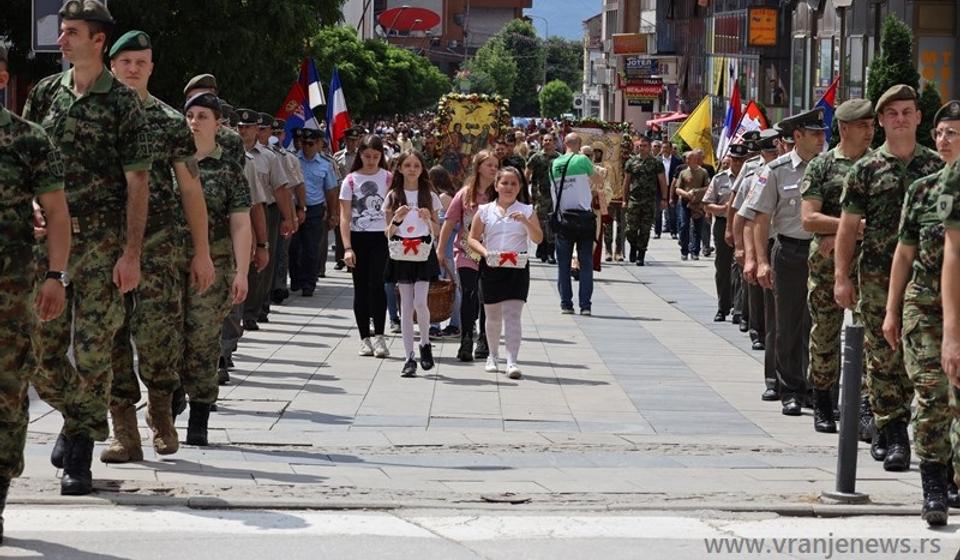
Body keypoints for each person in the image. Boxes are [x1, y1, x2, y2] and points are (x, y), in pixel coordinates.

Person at [23, 0, 152, 496]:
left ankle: (79, 454)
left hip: (102, 247)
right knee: (40, 351)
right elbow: (24, 157)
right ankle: (80, 417)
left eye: (72, 31)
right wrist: (30, 204)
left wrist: (132, 254)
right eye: (62, 30)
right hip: (46, 247)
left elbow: (137, 184)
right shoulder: (43, 94)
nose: (62, 39)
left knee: (96, 353)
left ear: (98, 40)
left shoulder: (123, 104)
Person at [104, 30, 216, 464]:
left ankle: (160, 411)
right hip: (107, 246)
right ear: (112, 65)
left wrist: (202, 251)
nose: (133, 69)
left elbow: (191, 189)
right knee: (111, 337)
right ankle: (123, 432)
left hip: (159, 248)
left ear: (151, 68)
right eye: (125, 61)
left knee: (157, 339)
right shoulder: (98, 117)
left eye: (141, 62)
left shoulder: (170, 122)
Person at [836, 84, 944, 471]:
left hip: (930, 280)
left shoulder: (937, 168)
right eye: (892, 113)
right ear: (880, 121)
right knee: (882, 357)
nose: (900, 119)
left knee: (922, 360)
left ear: (918, 118)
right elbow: (847, 229)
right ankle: (894, 432)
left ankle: (910, 426)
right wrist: (841, 277)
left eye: (907, 112)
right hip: (878, 277)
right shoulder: (865, 169)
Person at [0, 43, 71, 542]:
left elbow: (58, 212)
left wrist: (55, 276)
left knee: (6, 389)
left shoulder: (28, 139)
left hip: (11, 288)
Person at [885, 100, 960, 526]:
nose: (942, 140)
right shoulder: (924, 191)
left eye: (952, 133)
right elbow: (904, 253)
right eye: (939, 133)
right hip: (926, 309)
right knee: (931, 396)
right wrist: (892, 309)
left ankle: (952, 475)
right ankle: (933, 486)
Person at [181, 93, 253, 446]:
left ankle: (199, 412)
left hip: (214, 268)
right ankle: (171, 394)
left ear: (218, 123)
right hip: (169, 265)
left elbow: (241, 224)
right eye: (190, 115)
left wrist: (241, 272)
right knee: (164, 340)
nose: (195, 121)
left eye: (203, 116)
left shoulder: (229, 170)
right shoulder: (170, 164)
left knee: (203, 341)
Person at [800, 98, 875, 434]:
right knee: (825, 334)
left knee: (870, 337)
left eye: (872, 125)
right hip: (826, 265)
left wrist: (846, 232)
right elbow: (809, 218)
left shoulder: (879, 165)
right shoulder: (822, 166)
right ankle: (823, 403)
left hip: (870, 265)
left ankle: (865, 407)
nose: (870, 131)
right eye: (863, 125)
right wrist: (844, 228)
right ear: (844, 128)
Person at [747, 109, 826, 417]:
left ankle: (816, 388)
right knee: (788, 324)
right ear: (797, 136)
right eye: (814, 133)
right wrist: (761, 261)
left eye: (822, 133)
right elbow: (760, 218)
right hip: (791, 252)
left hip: (823, 252)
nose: (821, 138)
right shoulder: (777, 170)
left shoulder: (828, 167)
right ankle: (790, 388)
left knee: (819, 324)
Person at [468, 167, 543, 378]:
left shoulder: (527, 210)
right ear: (496, 185)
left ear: (520, 187)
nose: (509, 187)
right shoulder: (484, 210)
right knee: (492, 316)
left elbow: (538, 238)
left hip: (516, 267)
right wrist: (485, 253)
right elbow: (473, 238)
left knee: (513, 315)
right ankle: (492, 355)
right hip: (491, 266)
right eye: (505, 183)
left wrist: (525, 222)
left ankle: (512, 361)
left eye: (514, 184)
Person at [384, 151, 442, 377]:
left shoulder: (429, 195)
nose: (411, 169)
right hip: (401, 252)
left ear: (422, 168)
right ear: (399, 168)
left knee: (420, 302)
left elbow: (437, 231)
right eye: (407, 165)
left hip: (423, 251)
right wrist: (397, 219)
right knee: (405, 306)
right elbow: (387, 233)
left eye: (416, 165)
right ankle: (409, 357)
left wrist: (428, 220)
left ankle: (425, 343)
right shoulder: (393, 196)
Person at [439, 150, 497, 360]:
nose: (493, 169)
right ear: (479, 167)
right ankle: (465, 340)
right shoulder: (465, 193)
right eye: (489, 164)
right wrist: (440, 250)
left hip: (491, 253)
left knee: (485, 296)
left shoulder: (498, 194)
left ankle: (484, 339)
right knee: (470, 294)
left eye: (495, 165)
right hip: (465, 251)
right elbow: (450, 221)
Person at [340, 134, 391, 358]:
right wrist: (347, 247)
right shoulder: (351, 180)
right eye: (367, 155)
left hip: (382, 237)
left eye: (376, 156)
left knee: (377, 285)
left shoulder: (388, 178)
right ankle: (364, 338)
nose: (371, 160)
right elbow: (344, 216)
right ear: (360, 155)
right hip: (358, 237)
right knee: (360, 288)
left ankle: (380, 336)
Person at [552, 133, 597, 314]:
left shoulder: (554, 164)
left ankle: (566, 304)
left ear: (565, 143)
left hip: (563, 218)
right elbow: (598, 180)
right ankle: (585, 306)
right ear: (579, 144)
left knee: (563, 264)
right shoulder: (582, 160)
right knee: (585, 262)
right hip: (584, 217)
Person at [290, 129, 338, 296]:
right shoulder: (293, 160)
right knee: (294, 247)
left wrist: (333, 214)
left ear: (319, 144)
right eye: (304, 143)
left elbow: (331, 191)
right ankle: (296, 279)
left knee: (311, 249)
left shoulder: (325, 164)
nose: (306, 147)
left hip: (315, 210)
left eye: (311, 144)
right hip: (294, 209)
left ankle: (309, 283)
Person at [703, 143, 747, 321]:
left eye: (740, 160)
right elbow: (707, 203)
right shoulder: (720, 178)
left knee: (740, 266)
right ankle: (723, 307)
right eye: (734, 160)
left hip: (744, 224)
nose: (737, 163)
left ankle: (738, 308)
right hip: (722, 224)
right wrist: (722, 208)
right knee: (722, 267)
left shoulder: (750, 177)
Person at [622, 136, 668, 266]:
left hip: (649, 201)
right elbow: (626, 182)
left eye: (644, 146)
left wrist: (664, 198)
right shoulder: (631, 162)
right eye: (640, 146)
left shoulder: (656, 163)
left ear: (649, 147)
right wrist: (624, 200)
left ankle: (641, 254)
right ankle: (633, 246)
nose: (641, 148)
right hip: (633, 200)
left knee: (645, 229)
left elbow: (662, 182)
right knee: (630, 229)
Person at [430, 165, 462, 338]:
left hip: (445, 249)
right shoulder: (452, 195)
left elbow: (447, 225)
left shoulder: (443, 197)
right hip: (448, 248)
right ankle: (453, 323)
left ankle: (444, 324)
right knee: (450, 287)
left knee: (444, 287)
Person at [526, 132, 559, 264]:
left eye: (550, 140)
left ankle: (550, 252)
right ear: (542, 142)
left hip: (554, 195)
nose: (547, 142)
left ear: (554, 142)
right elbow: (527, 174)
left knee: (551, 223)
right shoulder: (536, 157)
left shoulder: (559, 158)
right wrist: (526, 192)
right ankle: (542, 247)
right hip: (539, 196)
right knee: (540, 222)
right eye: (545, 140)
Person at [333, 127, 363, 270]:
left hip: (358, 197)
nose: (352, 143)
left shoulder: (362, 156)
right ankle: (341, 257)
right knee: (341, 226)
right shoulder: (337, 157)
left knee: (355, 226)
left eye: (354, 140)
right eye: (349, 140)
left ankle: (353, 258)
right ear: (345, 141)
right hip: (342, 195)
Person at [675, 150, 711, 261]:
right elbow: (677, 188)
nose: (687, 160)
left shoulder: (703, 172)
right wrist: (686, 194)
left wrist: (696, 191)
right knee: (684, 225)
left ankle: (695, 251)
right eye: (686, 158)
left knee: (697, 227)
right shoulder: (683, 173)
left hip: (697, 203)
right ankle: (684, 250)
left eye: (689, 158)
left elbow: (708, 187)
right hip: (685, 202)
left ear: (695, 159)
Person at [655, 141, 683, 240]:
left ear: (671, 149)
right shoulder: (657, 160)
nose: (665, 149)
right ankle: (657, 232)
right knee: (658, 212)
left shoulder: (677, 161)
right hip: (659, 188)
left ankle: (673, 232)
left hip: (671, 188)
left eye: (667, 147)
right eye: (663, 147)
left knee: (672, 212)